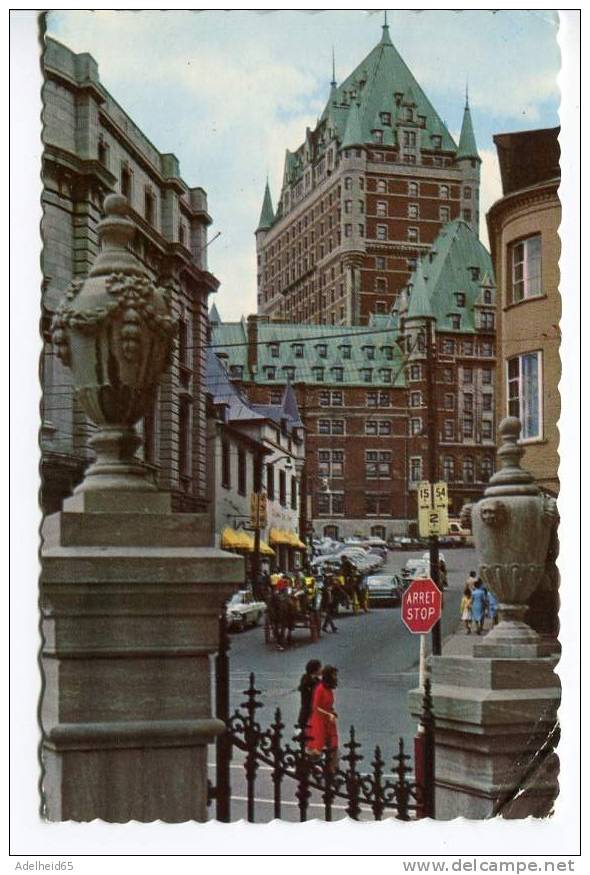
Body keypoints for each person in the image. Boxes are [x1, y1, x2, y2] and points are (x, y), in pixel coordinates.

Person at [306, 665, 339, 771]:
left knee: (334, 744)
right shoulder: (320, 688)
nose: (336, 677)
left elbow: (328, 704)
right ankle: (312, 767)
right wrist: (328, 714)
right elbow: (315, 707)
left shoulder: (329, 689)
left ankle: (332, 769)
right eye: (334, 675)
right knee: (317, 748)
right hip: (319, 720)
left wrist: (332, 712)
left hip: (329, 720)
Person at [297, 659, 322, 731]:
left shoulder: (316, 680)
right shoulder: (307, 680)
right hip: (307, 709)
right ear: (315, 670)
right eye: (320, 668)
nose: (321, 670)